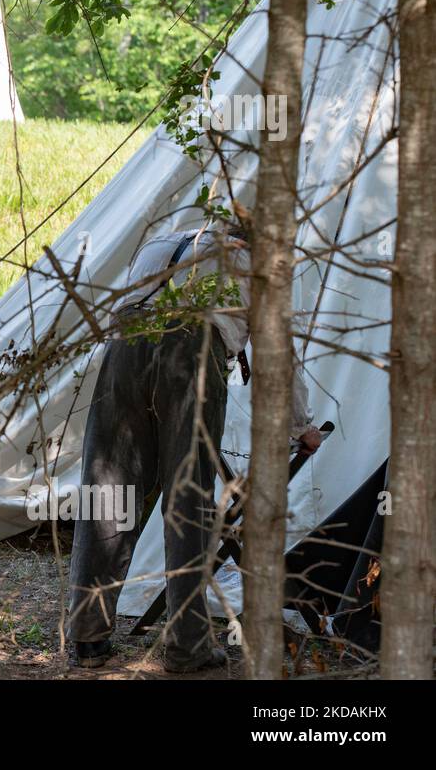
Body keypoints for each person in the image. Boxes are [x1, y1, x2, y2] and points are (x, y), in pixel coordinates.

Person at [66, 221, 324, 672]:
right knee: (188, 504)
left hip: (125, 348)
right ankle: (187, 648)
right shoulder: (254, 263)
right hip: (191, 355)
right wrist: (300, 427)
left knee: (108, 492)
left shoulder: (166, 239)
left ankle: (88, 637)